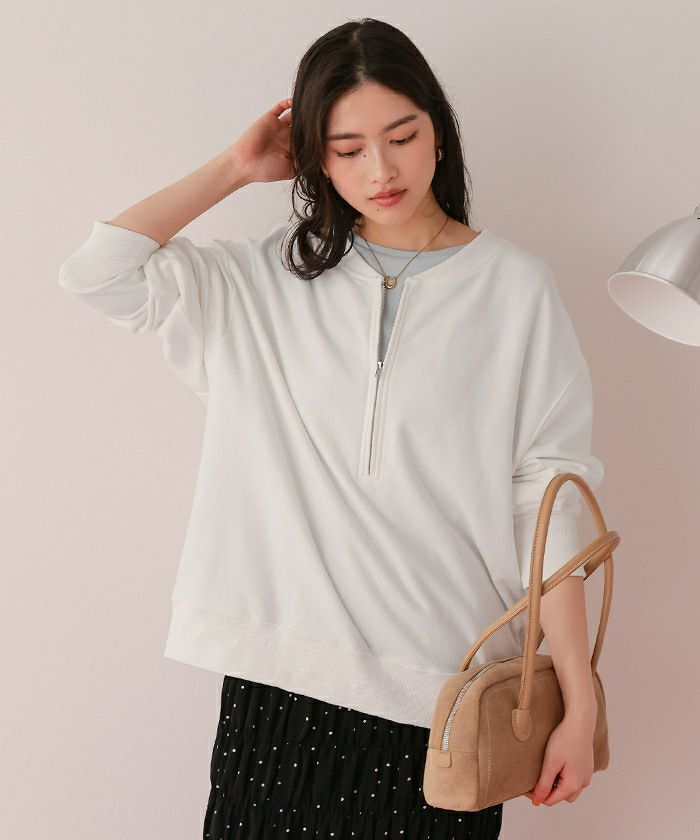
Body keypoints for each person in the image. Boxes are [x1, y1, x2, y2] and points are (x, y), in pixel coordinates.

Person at [57, 17, 604, 840]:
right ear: (314, 157)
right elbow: (97, 273)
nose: (380, 170)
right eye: (347, 149)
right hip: (280, 684)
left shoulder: (516, 290)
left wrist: (579, 700)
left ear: (438, 132)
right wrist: (236, 168)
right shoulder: (263, 279)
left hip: (442, 695)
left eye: (401, 136)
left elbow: (551, 504)